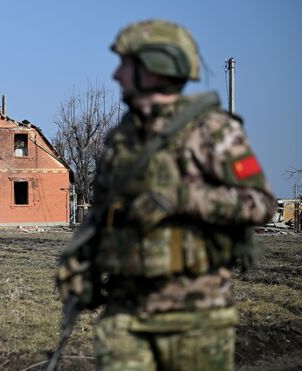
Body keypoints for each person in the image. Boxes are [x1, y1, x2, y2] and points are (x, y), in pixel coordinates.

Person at [57, 19, 276, 370]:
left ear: (155, 68)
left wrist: (179, 199)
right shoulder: (120, 139)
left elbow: (260, 204)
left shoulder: (212, 130)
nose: (116, 76)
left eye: (125, 64)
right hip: (125, 315)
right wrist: (76, 260)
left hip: (195, 318)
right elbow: (101, 213)